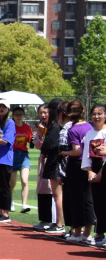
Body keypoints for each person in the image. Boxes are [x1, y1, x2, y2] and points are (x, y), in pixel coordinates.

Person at [61, 100, 94, 243]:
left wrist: (63, 153)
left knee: (75, 200)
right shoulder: (89, 126)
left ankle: (77, 232)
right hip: (89, 164)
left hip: (76, 166)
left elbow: (76, 151)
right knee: (88, 199)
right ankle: (88, 233)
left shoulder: (73, 129)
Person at [38, 100, 66, 235]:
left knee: (57, 195)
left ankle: (59, 223)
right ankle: (59, 222)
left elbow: (47, 146)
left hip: (55, 162)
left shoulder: (55, 126)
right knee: (58, 195)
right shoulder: (59, 125)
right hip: (58, 162)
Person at [83, 103, 106, 247]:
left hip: (105, 169)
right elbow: (86, 155)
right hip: (94, 168)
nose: (96, 116)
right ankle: (99, 233)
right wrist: (90, 171)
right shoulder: (89, 134)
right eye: (94, 114)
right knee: (97, 203)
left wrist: (101, 173)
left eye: (100, 113)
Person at [11, 106, 34, 214]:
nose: (19, 117)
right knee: (12, 183)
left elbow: (31, 141)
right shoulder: (11, 126)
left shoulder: (27, 127)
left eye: (20, 114)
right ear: (13, 116)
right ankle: (10, 202)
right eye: (16, 115)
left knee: (25, 180)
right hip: (12, 155)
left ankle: (24, 204)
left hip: (24, 155)